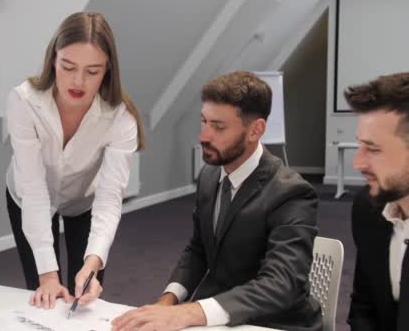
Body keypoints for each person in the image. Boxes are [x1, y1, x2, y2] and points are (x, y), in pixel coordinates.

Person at [112, 71, 322, 331]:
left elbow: (281, 284)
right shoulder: (210, 176)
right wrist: (167, 302)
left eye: (218, 127)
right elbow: (198, 249)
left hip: (274, 323)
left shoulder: (291, 193)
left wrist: (191, 312)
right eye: (204, 122)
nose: (204, 136)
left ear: (255, 130)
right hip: (216, 318)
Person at [5, 11, 145, 309]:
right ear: (53, 59)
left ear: (108, 70)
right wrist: (47, 276)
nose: (78, 81)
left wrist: (93, 263)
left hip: (86, 201)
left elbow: (109, 200)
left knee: (85, 291)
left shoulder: (121, 117)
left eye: (93, 71)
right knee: (45, 293)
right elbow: (33, 190)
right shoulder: (24, 101)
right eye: (68, 67)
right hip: (27, 197)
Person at [346, 72, 409, 331]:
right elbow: (365, 307)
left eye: (373, 149)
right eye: (360, 146)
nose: (358, 163)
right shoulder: (369, 209)